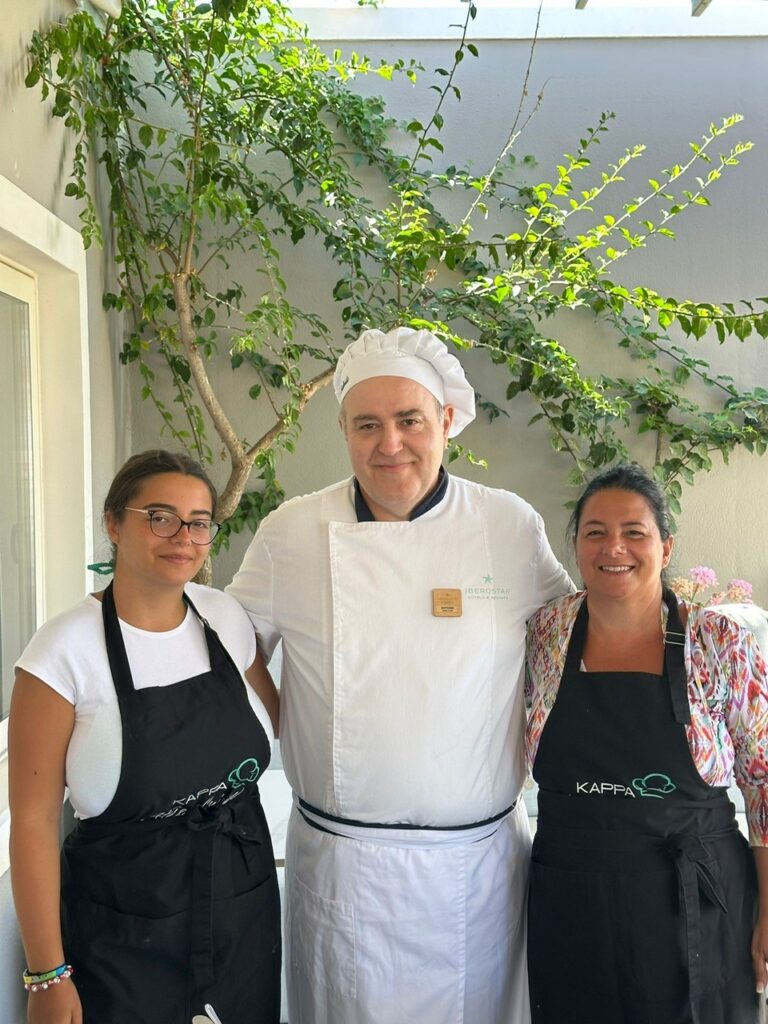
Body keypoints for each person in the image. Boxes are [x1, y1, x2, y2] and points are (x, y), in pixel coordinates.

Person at [227, 325, 573, 1024]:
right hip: (343, 868)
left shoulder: (507, 525)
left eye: (410, 420)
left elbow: (570, 641)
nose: (390, 444)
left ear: (445, 420)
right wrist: (285, 718)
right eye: (367, 424)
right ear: (344, 431)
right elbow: (228, 647)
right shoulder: (291, 531)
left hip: (476, 873)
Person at [9, 450, 281, 1024]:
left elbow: (271, 721)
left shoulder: (224, 618)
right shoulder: (63, 651)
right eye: (160, 517)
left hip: (241, 910)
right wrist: (47, 976)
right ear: (113, 523)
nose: (183, 537)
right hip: (124, 930)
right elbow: (32, 823)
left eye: (199, 522)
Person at [525, 462, 768, 1024]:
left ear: (665, 546)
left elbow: (763, 780)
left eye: (634, 532)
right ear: (577, 547)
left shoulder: (717, 640)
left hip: (695, 901)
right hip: (571, 902)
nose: (614, 547)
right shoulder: (547, 632)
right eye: (595, 532)